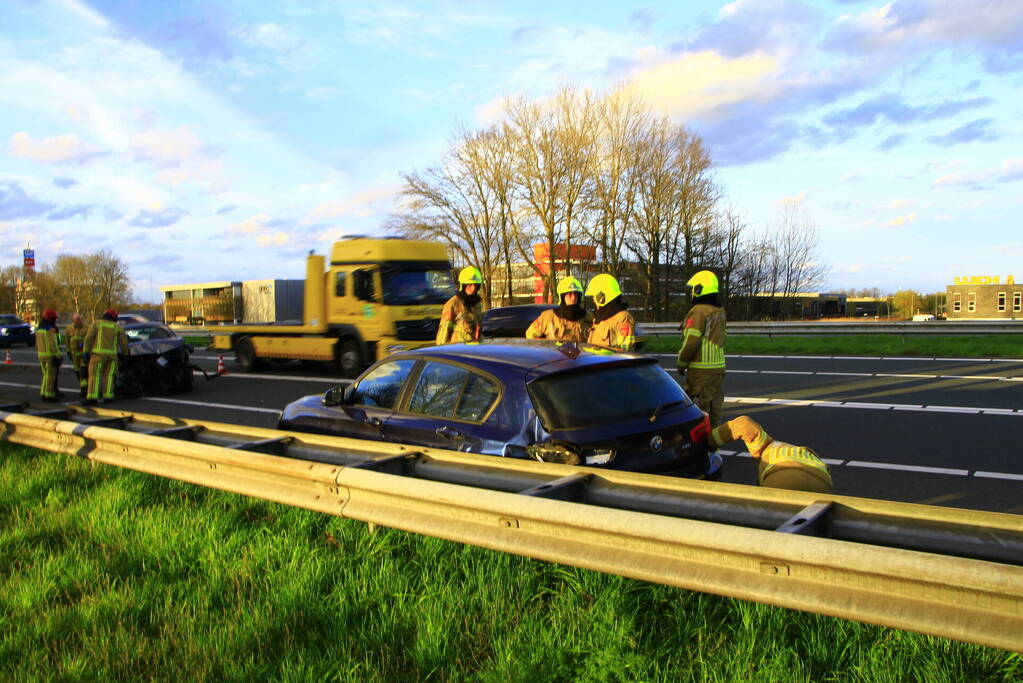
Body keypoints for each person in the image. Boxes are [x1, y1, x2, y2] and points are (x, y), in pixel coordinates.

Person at [707, 415, 833, 493]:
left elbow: (744, 424)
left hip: (783, 480)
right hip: (823, 482)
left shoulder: (766, 448)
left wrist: (709, 442)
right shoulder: (795, 450)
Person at [677, 270, 726, 427]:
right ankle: (713, 445)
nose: (692, 292)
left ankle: (700, 447)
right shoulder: (719, 311)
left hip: (701, 370)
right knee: (714, 409)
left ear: (699, 289)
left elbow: (692, 340)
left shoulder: (698, 311)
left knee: (699, 411)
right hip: (718, 368)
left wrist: (682, 362)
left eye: (693, 288)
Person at [82, 308, 129, 405]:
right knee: (109, 377)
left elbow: (89, 338)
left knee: (95, 376)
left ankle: (92, 397)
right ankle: (108, 397)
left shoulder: (96, 324)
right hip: (112, 357)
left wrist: (86, 351)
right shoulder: (118, 328)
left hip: (97, 355)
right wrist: (126, 354)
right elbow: (124, 344)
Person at [525, 276, 589, 342]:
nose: (573, 298)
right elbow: (530, 335)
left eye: (576, 294)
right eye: (569, 294)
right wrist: (544, 348)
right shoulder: (548, 317)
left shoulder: (588, 317)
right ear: (562, 297)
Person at [585, 274, 635, 351]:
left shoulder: (623, 318)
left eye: (594, 296)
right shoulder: (599, 318)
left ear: (602, 297)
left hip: (611, 363)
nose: (593, 300)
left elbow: (626, 351)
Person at [436, 266, 484, 345]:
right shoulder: (453, 304)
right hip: (458, 353)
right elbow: (442, 336)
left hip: (475, 352)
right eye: (469, 285)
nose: (473, 288)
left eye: (476, 285)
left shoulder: (477, 305)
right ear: (463, 286)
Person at [35, 308, 62, 402]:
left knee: (45, 376)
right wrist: (59, 355)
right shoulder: (50, 329)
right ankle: (49, 395)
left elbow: (37, 344)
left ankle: (43, 392)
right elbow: (53, 344)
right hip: (50, 356)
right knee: (50, 376)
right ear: (51, 318)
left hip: (41, 355)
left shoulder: (38, 329)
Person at [64, 313, 88, 397]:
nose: (78, 323)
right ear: (73, 321)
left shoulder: (86, 328)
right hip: (74, 355)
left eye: (79, 320)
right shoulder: (69, 329)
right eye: (76, 321)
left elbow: (89, 341)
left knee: (83, 372)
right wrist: (68, 351)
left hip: (83, 355)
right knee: (78, 372)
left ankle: (84, 389)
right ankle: (83, 387)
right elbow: (67, 341)